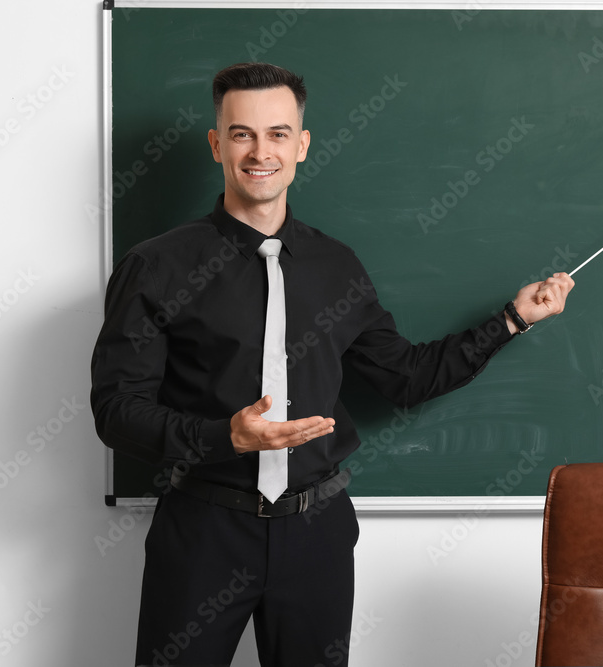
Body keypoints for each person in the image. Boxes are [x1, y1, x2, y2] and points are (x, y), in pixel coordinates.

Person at [90, 62, 574, 667]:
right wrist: (224, 437)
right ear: (217, 145)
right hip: (203, 531)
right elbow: (115, 411)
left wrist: (511, 319)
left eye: (277, 133)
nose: (260, 150)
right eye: (241, 134)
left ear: (302, 145)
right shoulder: (156, 266)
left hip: (315, 534)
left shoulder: (335, 267)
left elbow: (405, 377)